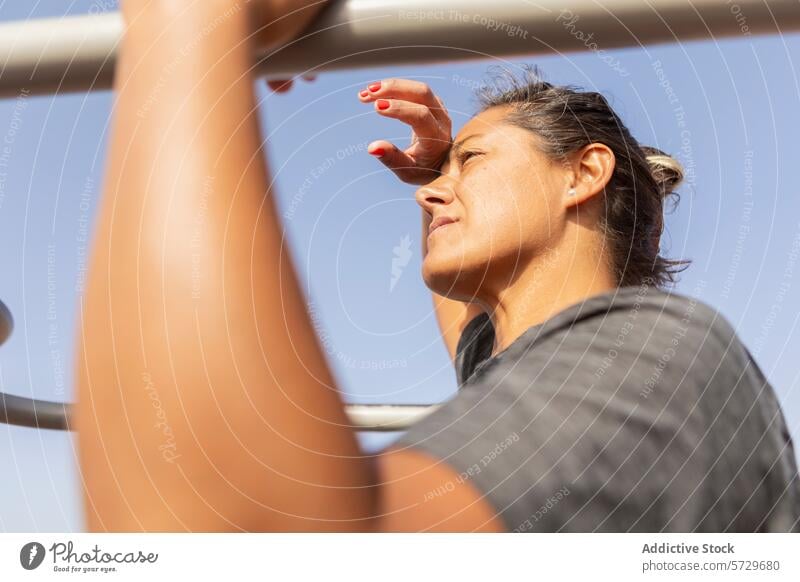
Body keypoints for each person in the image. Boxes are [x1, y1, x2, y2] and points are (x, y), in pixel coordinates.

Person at [75, 0, 800, 532]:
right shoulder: (523, 357)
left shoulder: (659, 356)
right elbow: (473, 323)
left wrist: (192, 18)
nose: (431, 190)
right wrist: (448, 176)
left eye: (473, 161)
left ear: (584, 175)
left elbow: (238, 538)